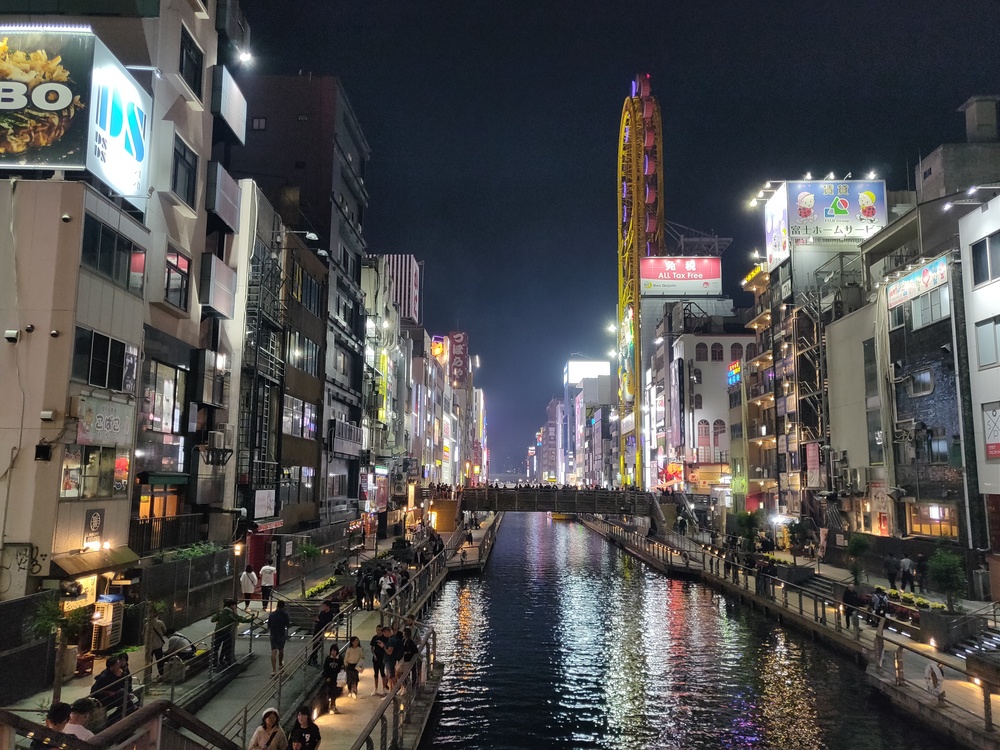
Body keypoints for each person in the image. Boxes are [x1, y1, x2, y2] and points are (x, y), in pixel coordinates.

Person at [211, 598, 255, 669]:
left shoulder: (220, 611)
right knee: (226, 647)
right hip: (226, 632)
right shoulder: (231, 613)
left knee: (215, 648)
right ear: (231, 606)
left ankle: (214, 663)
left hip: (218, 632)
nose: (236, 607)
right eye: (235, 605)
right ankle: (223, 660)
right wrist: (251, 619)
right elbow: (241, 619)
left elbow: (213, 619)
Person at [267, 600, 291, 675]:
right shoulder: (285, 614)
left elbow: (269, 625)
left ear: (277, 606)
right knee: (281, 650)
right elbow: (288, 625)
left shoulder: (272, 614)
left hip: (273, 634)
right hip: (281, 634)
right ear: (283, 606)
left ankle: (273, 670)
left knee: (273, 651)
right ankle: (280, 664)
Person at [309, 600, 334, 666]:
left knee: (317, 646)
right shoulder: (322, 612)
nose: (323, 607)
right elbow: (319, 620)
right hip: (317, 630)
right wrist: (316, 619)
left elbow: (326, 623)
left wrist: (319, 620)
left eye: (324, 606)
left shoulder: (330, 614)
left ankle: (312, 659)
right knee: (314, 645)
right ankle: (313, 659)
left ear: (328, 606)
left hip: (322, 631)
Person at [322, 644, 344, 714]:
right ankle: (328, 707)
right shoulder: (328, 659)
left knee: (334, 693)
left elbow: (341, 667)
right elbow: (325, 669)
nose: (333, 652)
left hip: (336, 679)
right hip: (329, 679)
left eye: (334, 651)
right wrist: (327, 677)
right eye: (332, 651)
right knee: (329, 692)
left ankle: (333, 706)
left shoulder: (339, 659)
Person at [149, 611, 168, 680]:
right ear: (157, 615)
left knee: (149, 662)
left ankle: (148, 675)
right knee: (160, 660)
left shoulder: (147, 624)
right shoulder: (160, 623)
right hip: (158, 645)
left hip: (149, 646)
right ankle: (161, 674)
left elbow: (143, 634)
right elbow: (165, 631)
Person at [370, 624, 387, 696]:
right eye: (378, 630)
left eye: (380, 630)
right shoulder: (374, 638)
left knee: (383, 673)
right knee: (376, 673)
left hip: (382, 657)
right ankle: (375, 688)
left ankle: (384, 688)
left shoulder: (385, 638)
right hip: (376, 658)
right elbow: (372, 648)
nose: (379, 631)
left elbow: (386, 647)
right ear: (376, 630)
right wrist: (374, 655)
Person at [383, 625, 401, 691]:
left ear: (386, 632)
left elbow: (389, 652)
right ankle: (392, 689)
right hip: (391, 660)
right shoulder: (393, 639)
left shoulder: (391, 640)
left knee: (391, 676)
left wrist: (384, 647)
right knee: (390, 675)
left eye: (384, 633)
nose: (384, 635)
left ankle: (395, 689)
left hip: (390, 660)